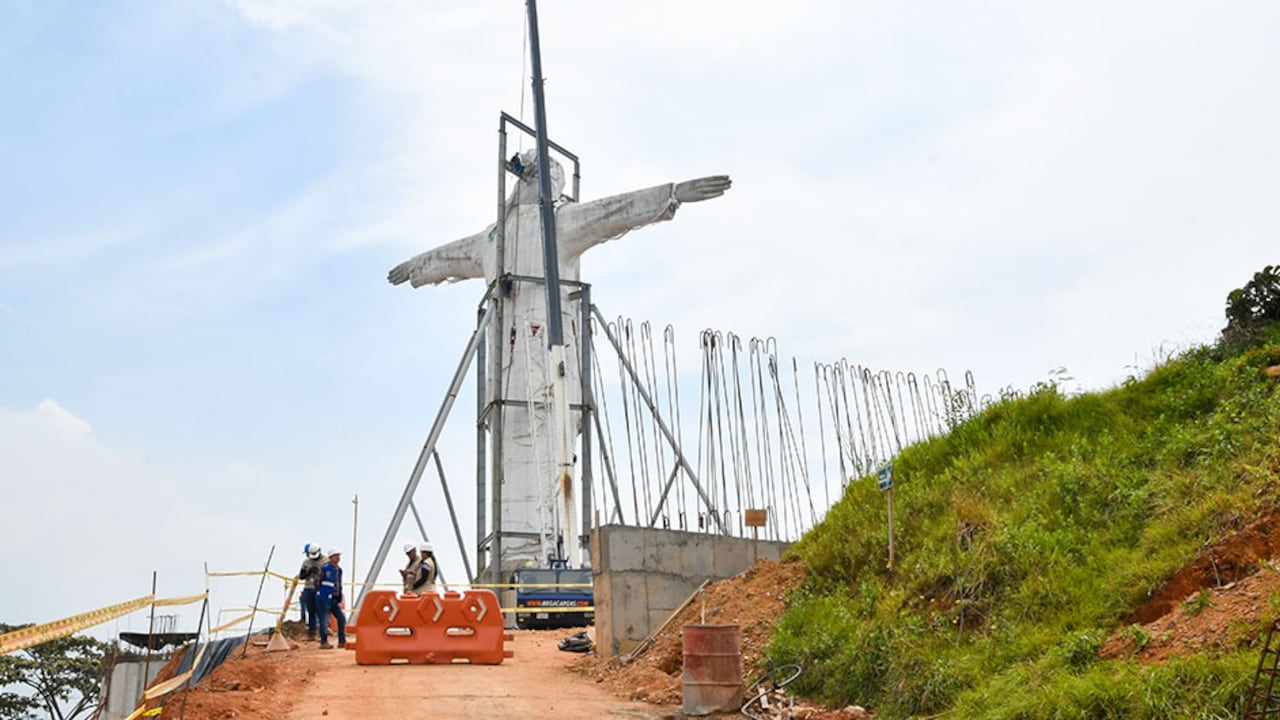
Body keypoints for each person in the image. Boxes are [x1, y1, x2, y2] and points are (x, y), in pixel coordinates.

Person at [316, 548, 347, 649]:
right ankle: (324, 642)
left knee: (341, 618)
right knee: (324, 620)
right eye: (335, 556)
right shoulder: (325, 568)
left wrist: (338, 596)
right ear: (330, 557)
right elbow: (317, 581)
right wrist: (320, 593)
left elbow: (338, 584)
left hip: (333, 599)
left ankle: (342, 641)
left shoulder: (339, 570)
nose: (338, 558)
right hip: (324, 598)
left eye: (338, 555)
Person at [297, 543, 324, 640]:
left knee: (321, 611)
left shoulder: (325, 561)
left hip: (320, 588)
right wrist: (308, 572)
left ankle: (322, 633)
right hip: (309, 588)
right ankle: (312, 632)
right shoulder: (306, 562)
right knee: (311, 610)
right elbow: (301, 576)